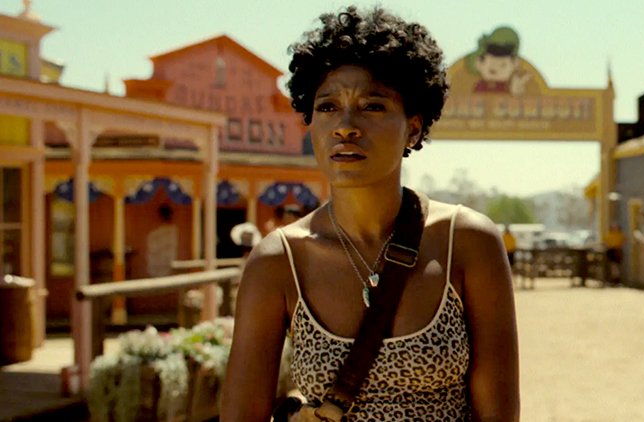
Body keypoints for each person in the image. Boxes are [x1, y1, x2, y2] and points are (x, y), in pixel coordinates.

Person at [221, 6, 519, 421]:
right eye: (327, 107)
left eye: (372, 106)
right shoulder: (277, 262)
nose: (345, 126)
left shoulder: (467, 242)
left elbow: (499, 415)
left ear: (413, 128)